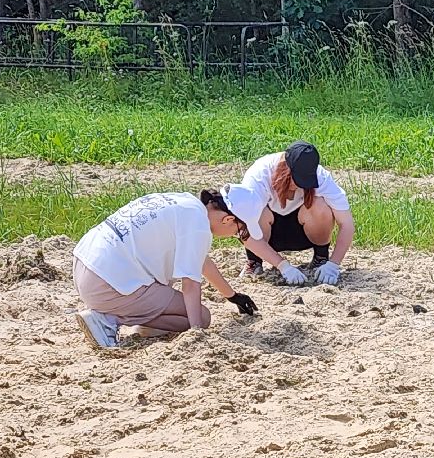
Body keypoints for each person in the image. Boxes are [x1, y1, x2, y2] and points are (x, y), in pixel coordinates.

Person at [73, 189, 258, 349]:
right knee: (203, 317)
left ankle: (129, 317)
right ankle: (109, 319)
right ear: (228, 219)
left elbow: (200, 260)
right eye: (238, 232)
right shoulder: (199, 226)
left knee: (179, 311)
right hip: (110, 285)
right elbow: (191, 286)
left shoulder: (186, 203)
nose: (234, 236)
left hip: (85, 265)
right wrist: (197, 332)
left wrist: (232, 295)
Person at [225, 141, 354, 286]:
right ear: (285, 168)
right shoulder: (259, 175)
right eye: (297, 179)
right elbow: (244, 227)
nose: (300, 185)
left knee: (320, 205)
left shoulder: (322, 177)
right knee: (256, 211)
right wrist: (283, 266)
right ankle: (254, 261)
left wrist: (334, 264)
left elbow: (347, 223)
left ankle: (321, 259)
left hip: (303, 233)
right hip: (267, 236)